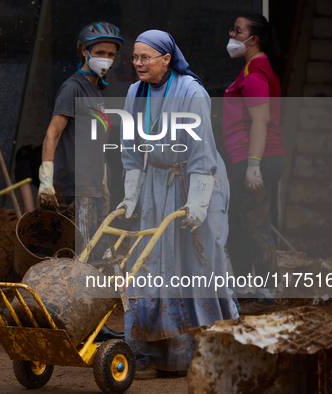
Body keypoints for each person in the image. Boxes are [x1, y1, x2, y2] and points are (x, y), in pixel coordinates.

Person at [117, 30, 239, 379]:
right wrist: (130, 195)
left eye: (146, 58)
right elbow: (130, 149)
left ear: (167, 59)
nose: (138, 64)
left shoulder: (192, 92)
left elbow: (202, 152)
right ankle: (155, 353)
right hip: (157, 183)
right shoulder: (134, 92)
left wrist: (198, 204)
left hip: (196, 182)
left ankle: (209, 352)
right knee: (154, 264)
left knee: (200, 265)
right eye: (135, 58)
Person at [36, 21, 124, 341]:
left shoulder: (96, 89)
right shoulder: (72, 87)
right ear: (84, 52)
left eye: (111, 54)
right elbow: (52, 133)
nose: (106, 58)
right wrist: (46, 181)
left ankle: (83, 323)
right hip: (76, 187)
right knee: (84, 259)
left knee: (91, 256)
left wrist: (103, 182)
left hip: (92, 186)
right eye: (99, 52)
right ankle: (85, 327)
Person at [223, 13, 285, 314]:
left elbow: (260, 121)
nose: (232, 35)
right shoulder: (252, 68)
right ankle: (252, 289)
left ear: (254, 38)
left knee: (256, 225)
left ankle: (265, 294)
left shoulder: (256, 74)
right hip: (248, 156)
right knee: (243, 224)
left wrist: (253, 165)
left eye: (238, 31)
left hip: (257, 156)